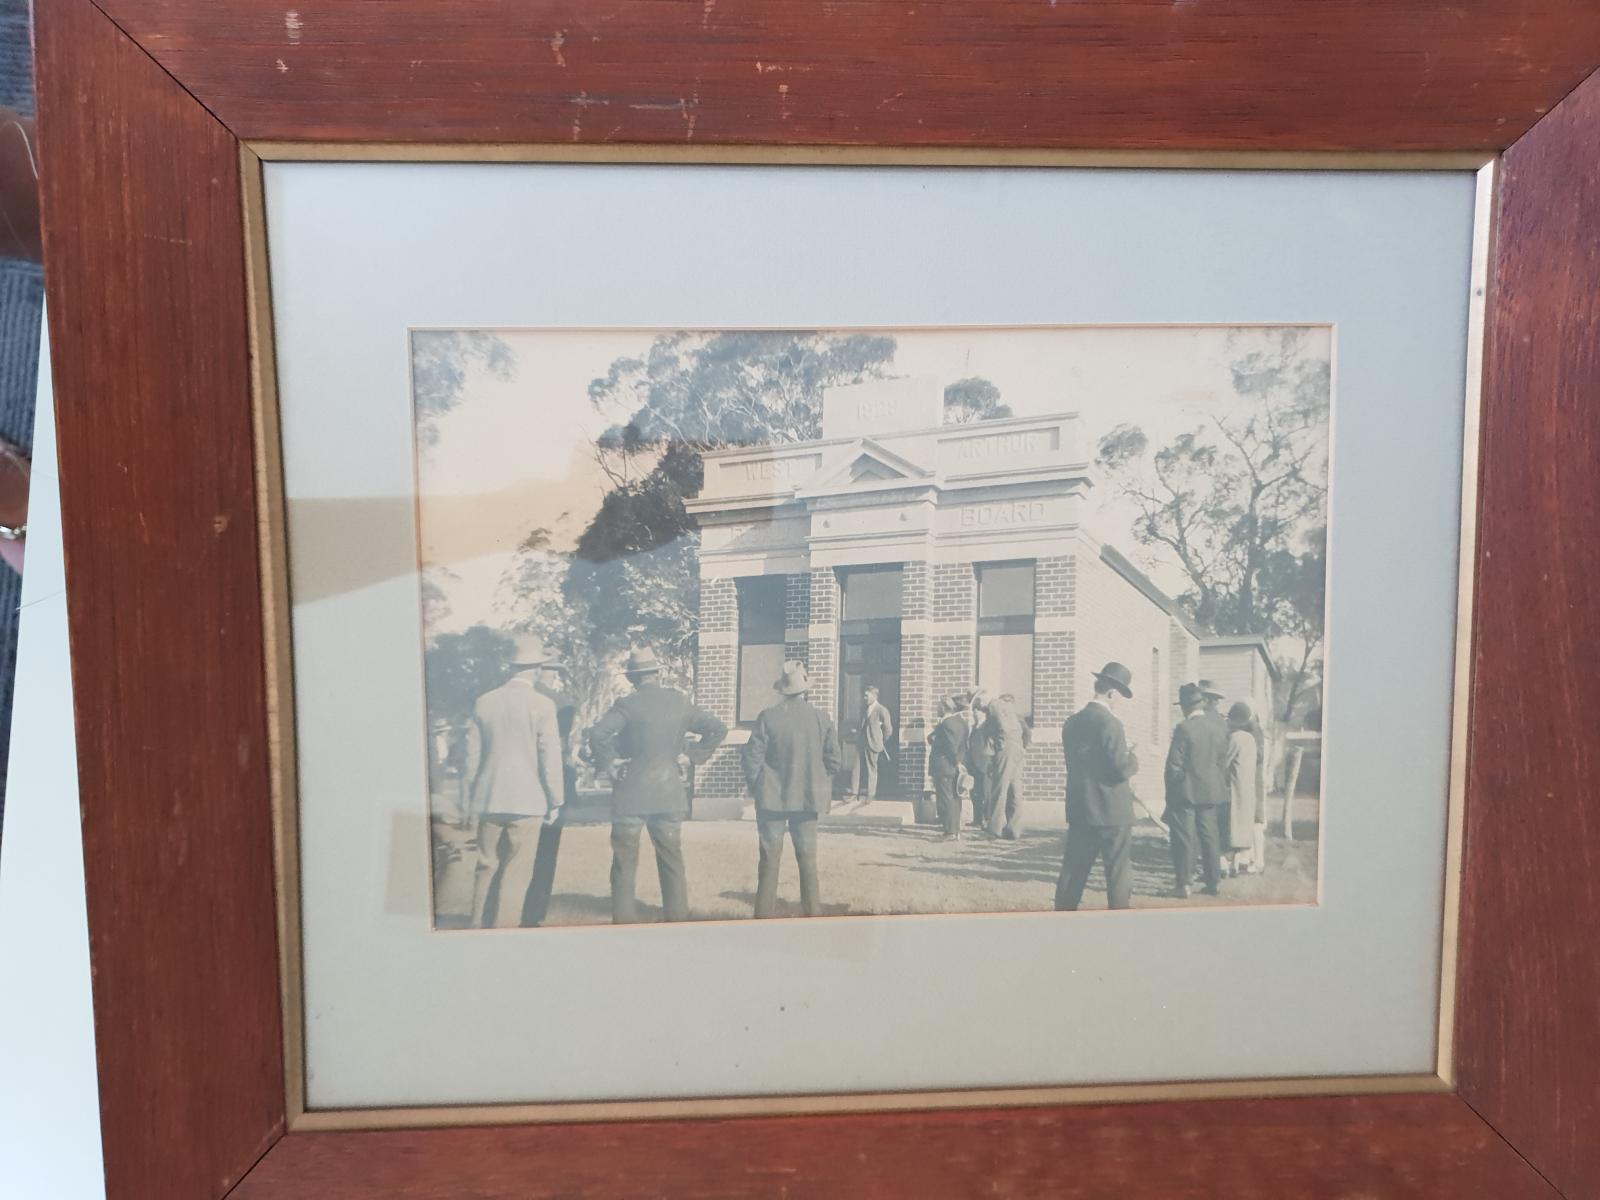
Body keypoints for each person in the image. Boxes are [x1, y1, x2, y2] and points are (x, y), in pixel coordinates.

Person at [587, 646, 728, 923]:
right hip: (668, 792)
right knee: (672, 860)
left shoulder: (627, 705)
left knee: (625, 862)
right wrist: (694, 755)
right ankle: (676, 919)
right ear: (656, 674)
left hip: (631, 794)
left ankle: (623, 922)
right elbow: (718, 728)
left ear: (633, 678)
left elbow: (598, 733)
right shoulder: (680, 702)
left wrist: (611, 763)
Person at [467, 634, 565, 928]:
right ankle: (504, 927)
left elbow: (471, 758)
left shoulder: (484, 702)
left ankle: (475, 924)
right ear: (536, 669)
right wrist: (556, 799)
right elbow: (550, 758)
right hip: (528, 799)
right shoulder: (543, 705)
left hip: (489, 796)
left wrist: (472, 796)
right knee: (517, 870)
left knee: (485, 865)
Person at [743, 661, 842, 917]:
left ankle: (762, 917)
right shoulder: (822, 718)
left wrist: (758, 785)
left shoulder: (768, 716)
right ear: (805, 690)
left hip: (771, 798)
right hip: (808, 799)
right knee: (808, 859)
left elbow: (752, 757)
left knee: (769, 859)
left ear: (782, 690)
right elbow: (835, 761)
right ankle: (812, 914)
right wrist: (816, 780)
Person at [1056, 662, 1140, 910]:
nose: (1119, 702)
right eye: (1120, 697)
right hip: (1112, 811)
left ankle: (1061, 915)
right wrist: (1133, 757)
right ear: (1112, 693)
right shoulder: (1111, 724)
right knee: (1117, 871)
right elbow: (1119, 769)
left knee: (1073, 870)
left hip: (1081, 808)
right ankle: (1118, 919)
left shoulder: (1071, 722)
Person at [520, 655, 578, 926]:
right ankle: (533, 912)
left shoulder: (509, 698)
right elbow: (559, 749)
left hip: (516, 784)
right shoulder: (562, 704)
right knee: (545, 851)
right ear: (550, 672)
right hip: (550, 783)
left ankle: (504, 909)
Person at [1164, 682, 1228, 898]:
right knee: (1210, 837)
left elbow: (1174, 765)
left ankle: (1184, 885)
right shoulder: (1217, 728)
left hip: (1185, 793)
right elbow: (1222, 762)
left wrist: (1175, 788)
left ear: (1184, 707)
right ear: (1201, 703)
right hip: (1211, 791)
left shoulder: (1183, 728)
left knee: (1184, 839)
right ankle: (1213, 882)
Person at [982, 691, 1033, 840]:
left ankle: (994, 829)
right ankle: (1013, 829)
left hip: (1008, 750)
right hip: (1016, 750)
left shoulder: (1000, 710)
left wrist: (1002, 743)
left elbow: (1025, 733)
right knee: (1014, 788)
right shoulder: (1012, 716)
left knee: (1000, 787)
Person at [927, 692, 975, 841]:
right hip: (954, 766)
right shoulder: (961, 722)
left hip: (946, 765)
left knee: (946, 797)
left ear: (944, 707)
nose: (936, 709)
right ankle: (955, 830)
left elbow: (951, 746)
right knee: (955, 797)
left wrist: (956, 762)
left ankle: (950, 832)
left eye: (938, 706)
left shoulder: (946, 723)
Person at [1223, 701, 1261, 877]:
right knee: (1243, 826)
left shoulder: (1235, 738)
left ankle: (1231, 865)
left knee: (1232, 825)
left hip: (1235, 787)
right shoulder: (1250, 739)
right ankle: (1241, 863)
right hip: (1248, 788)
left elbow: (1224, 762)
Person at [1198, 678, 1231, 879]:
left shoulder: (1199, 722)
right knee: (1217, 827)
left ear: (1204, 699)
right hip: (1220, 782)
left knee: (1203, 829)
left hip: (1201, 783)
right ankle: (1222, 863)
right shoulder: (1223, 723)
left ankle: (1206, 868)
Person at [849, 684, 894, 801]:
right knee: (856, 767)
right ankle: (854, 793)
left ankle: (870, 795)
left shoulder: (881, 710)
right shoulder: (865, 709)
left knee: (872, 769)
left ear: (874, 696)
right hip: (862, 742)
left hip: (873, 743)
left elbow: (888, 729)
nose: (864, 698)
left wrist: (880, 739)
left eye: (866, 696)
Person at [966, 689, 995, 830]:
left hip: (985, 764)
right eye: (974, 711)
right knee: (975, 793)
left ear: (983, 712)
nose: (975, 713)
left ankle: (987, 818)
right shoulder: (973, 727)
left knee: (986, 793)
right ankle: (977, 818)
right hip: (973, 764)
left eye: (977, 711)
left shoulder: (987, 726)